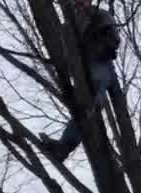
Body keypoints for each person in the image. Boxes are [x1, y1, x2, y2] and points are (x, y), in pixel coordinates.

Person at [40, 0, 122, 161]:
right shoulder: (71, 23)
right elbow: (67, 49)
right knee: (83, 108)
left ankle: (65, 147)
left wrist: (101, 41)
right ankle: (64, 146)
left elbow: (113, 39)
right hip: (82, 68)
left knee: (90, 101)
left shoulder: (99, 14)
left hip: (99, 63)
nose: (79, 4)